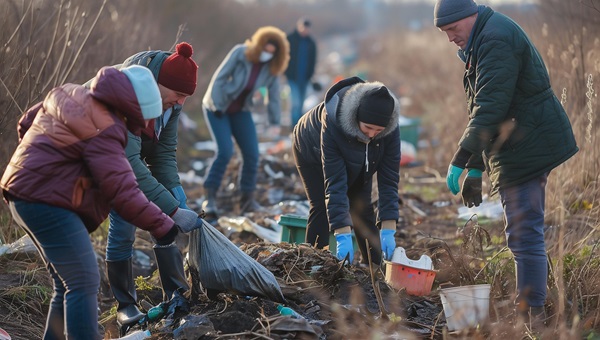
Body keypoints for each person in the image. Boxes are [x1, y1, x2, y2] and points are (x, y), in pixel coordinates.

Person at [0, 65, 190, 340]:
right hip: (45, 202)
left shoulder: (75, 94)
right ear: (135, 106)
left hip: (21, 191)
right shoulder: (106, 126)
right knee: (85, 279)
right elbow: (123, 190)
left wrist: (43, 167)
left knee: (66, 284)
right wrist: (164, 225)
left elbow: (27, 122)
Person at [434, 0, 578, 328]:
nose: (450, 38)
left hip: (528, 145)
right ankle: (533, 309)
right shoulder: (484, 36)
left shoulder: (494, 39)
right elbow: (486, 109)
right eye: (444, 33)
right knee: (523, 231)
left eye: (452, 29)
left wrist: (460, 157)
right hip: (518, 143)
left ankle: (531, 318)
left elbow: (490, 107)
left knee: (524, 232)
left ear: (467, 17)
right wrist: (475, 167)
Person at [99, 42, 201, 334]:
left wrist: (175, 192)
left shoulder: (171, 100)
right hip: (103, 160)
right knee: (124, 225)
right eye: (177, 95)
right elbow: (129, 162)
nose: (181, 102)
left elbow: (164, 153)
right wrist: (170, 206)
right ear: (157, 85)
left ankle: (175, 295)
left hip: (125, 161)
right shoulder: (127, 90)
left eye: (185, 97)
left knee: (162, 219)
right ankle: (124, 305)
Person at [292, 76, 401, 265]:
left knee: (361, 206)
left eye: (378, 130)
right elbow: (335, 184)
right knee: (321, 205)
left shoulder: (389, 129)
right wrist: (343, 235)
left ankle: (375, 268)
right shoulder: (333, 122)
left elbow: (389, 178)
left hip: (357, 151)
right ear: (357, 116)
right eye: (368, 127)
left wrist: (389, 226)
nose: (372, 134)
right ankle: (314, 266)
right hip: (311, 149)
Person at [202, 26, 289, 215]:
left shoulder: (271, 69)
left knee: (252, 154)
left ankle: (247, 201)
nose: (267, 55)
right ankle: (209, 197)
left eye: (272, 53)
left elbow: (273, 96)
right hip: (218, 107)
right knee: (225, 151)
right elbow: (219, 78)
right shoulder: (241, 53)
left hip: (241, 110)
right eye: (266, 50)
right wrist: (216, 104)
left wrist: (274, 123)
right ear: (259, 45)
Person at [286, 17, 318, 129]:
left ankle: (299, 126)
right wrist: (286, 71)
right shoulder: (289, 39)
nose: (305, 30)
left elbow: (313, 60)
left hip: (305, 78)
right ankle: (294, 126)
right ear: (299, 26)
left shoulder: (311, 43)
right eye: (303, 28)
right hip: (292, 77)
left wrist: (311, 74)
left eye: (307, 28)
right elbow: (284, 56)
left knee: (301, 102)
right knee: (295, 102)